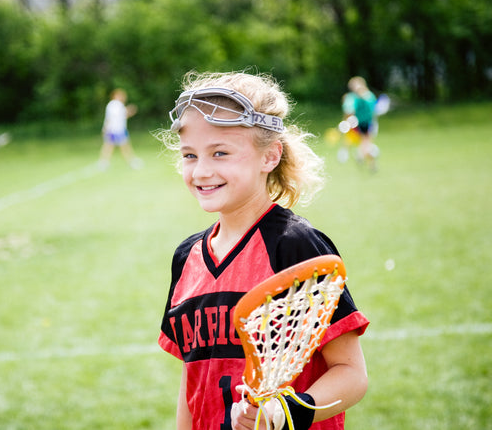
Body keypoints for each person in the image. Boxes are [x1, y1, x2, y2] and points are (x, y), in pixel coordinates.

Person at [155, 71, 369, 430]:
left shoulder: (295, 246)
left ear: (269, 156)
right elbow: (191, 381)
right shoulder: (187, 256)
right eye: (189, 155)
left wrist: (287, 411)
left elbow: (351, 374)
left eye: (220, 153)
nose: (201, 171)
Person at [98, 88, 143, 170]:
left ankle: (104, 162)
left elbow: (122, 116)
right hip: (114, 130)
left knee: (115, 146)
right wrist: (129, 110)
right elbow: (115, 116)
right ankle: (104, 162)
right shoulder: (114, 104)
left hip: (118, 129)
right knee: (112, 146)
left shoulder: (117, 105)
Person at [340, 76, 379, 171]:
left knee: (366, 144)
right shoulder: (355, 98)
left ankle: (362, 157)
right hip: (360, 125)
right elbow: (350, 111)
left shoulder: (366, 97)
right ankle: (368, 161)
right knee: (365, 144)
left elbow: (350, 111)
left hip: (368, 124)